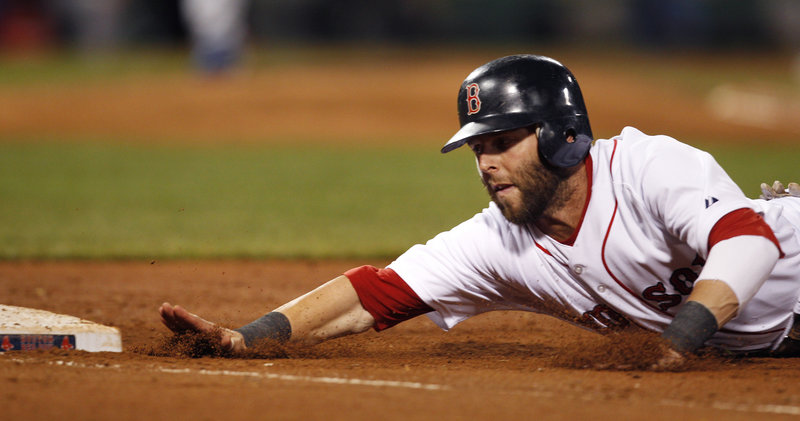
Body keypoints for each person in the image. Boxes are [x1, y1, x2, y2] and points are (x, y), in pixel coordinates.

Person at [160, 54, 800, 369]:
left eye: (502, 142)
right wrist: (244, 337)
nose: (486, 163)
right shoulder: (500, 241)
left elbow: (748, 242)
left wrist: (678, 342)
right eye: (477, 148)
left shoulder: (646, 166)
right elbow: (373, 295)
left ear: (560, 134)